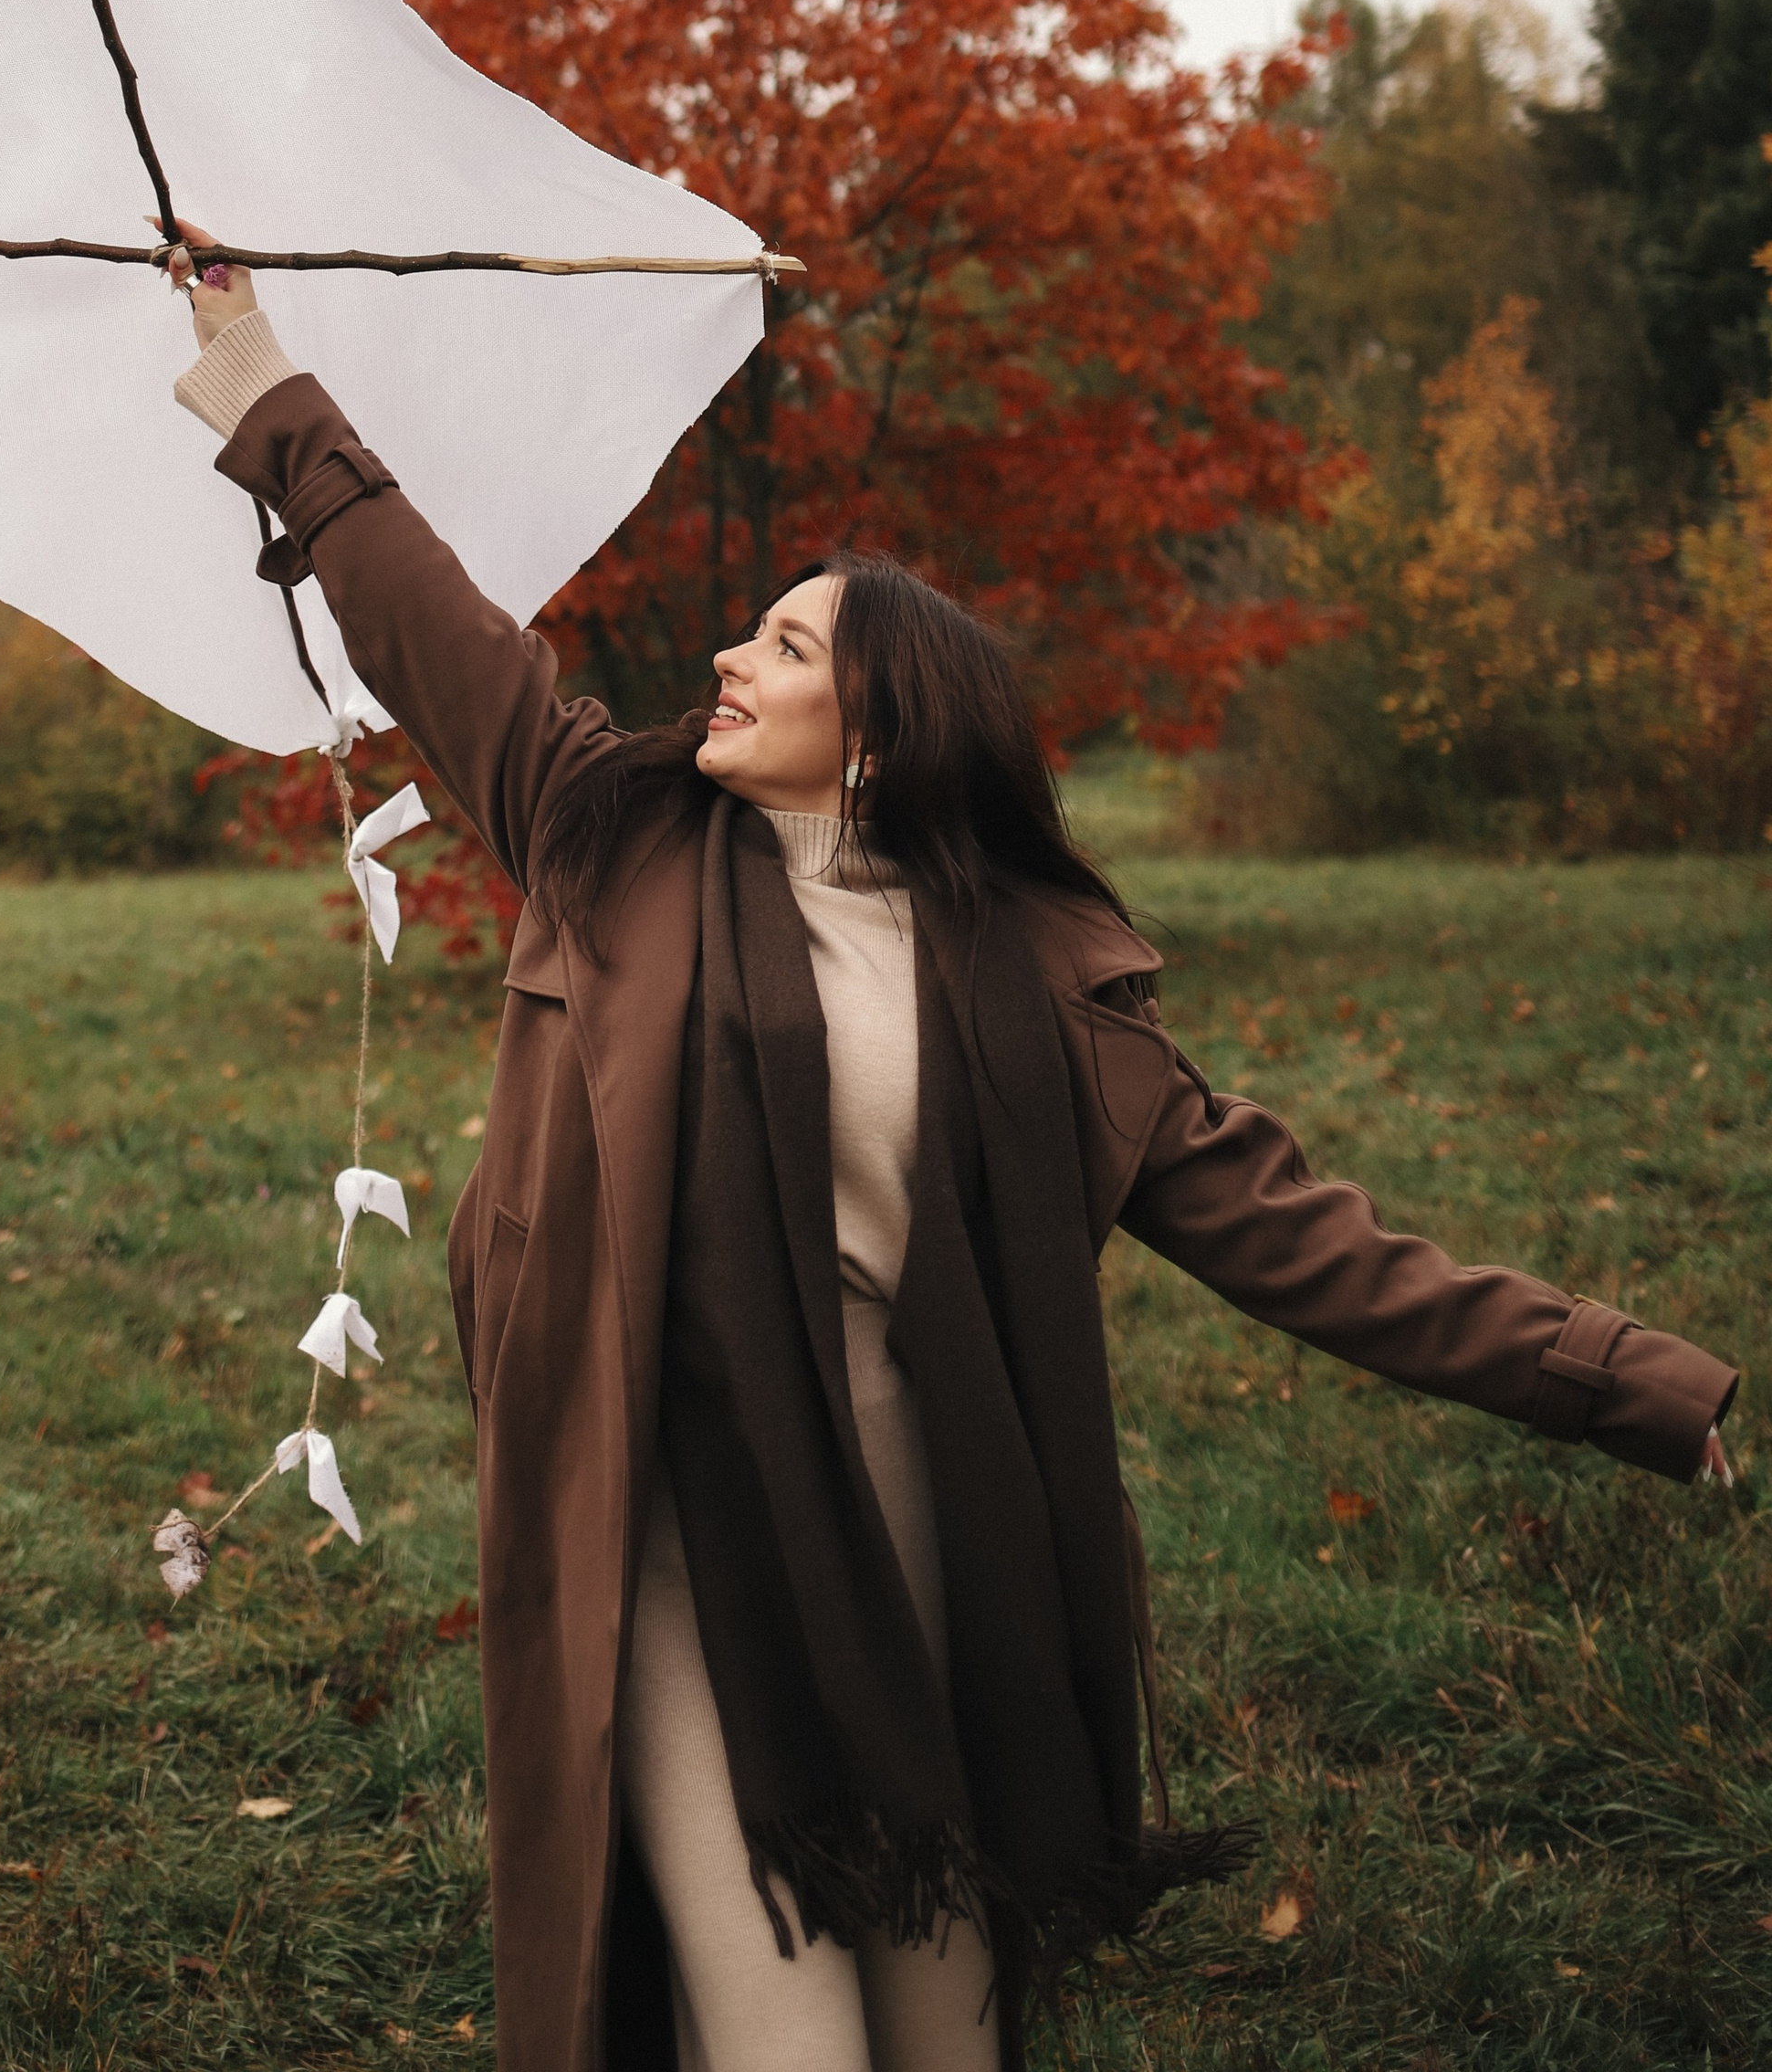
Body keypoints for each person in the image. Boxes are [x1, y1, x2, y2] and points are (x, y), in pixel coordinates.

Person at [164, 250, 1738, 2072]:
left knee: (943, 2031)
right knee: (783, 2045)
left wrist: (1625, 1384)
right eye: (745, 633)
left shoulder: (1040, 985)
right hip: (676, 1524)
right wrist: (262, 377)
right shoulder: (611, 838)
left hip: (931, 1535)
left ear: (889, 727)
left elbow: (1309, 1244)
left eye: (780, 644)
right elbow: (426, 622)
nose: (721, 659)